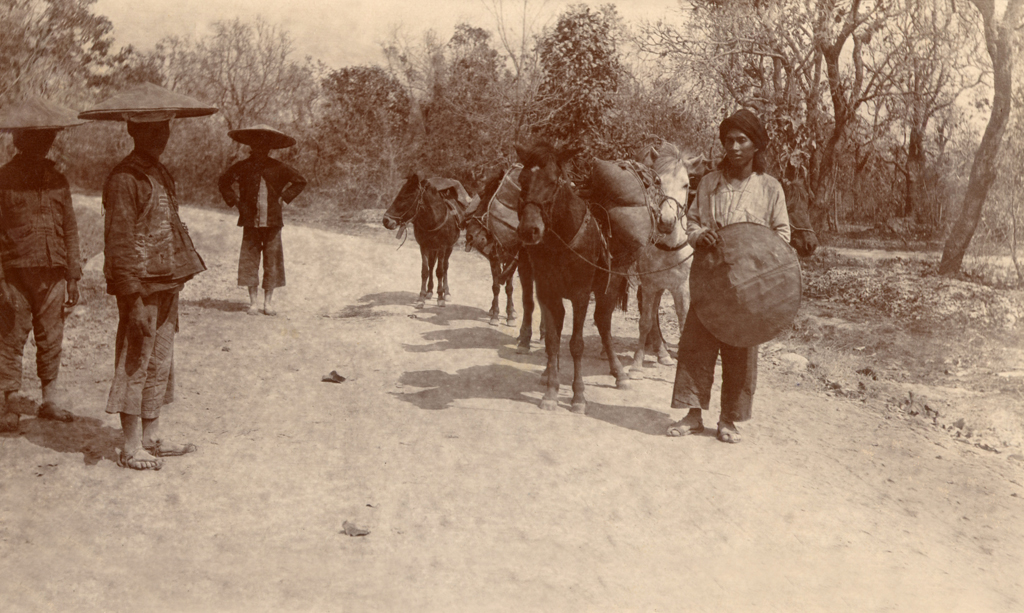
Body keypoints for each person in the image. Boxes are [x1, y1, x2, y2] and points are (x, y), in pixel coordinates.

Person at [81, 82, 217, 470]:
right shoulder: (125, 178)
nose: (160, 137)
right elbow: (119, 243)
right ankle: (129, 445)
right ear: (133, 132)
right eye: (151, 130)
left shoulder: (158, 172)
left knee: (161, 361)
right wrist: (132, 297)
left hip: (167, 279)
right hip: (140, 286)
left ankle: (152, 435)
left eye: (165, 130)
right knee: (135, 360)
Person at [667, 109, 790, 444]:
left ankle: (728, 420)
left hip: (750, 288)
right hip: (709, 280)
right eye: (728, 140)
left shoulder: (770, 188)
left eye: (742, 140)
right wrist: (699, 235)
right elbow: (690, 222)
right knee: (695, 346)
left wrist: (757, 251)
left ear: (756, 145)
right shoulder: (708, 183)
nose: (734, 147)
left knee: (740, 352)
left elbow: (782, 234)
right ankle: (693, 414)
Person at [0, 97, 85, 432]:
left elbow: (71, 227)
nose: (44, 144)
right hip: (15, 275)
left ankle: (50, 400)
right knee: (10, 337)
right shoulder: (3, 179)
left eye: (48, 138)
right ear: (20, 141)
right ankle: (9, 402)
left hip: (54, 275)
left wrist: (74, 275)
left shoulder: (58, 181)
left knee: (51, 337)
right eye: (36, 138)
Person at [218, 125, 306, 316]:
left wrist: (284, 197)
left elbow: (300, 181)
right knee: (250, 260)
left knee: (272, 261)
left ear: (269, 148)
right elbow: (223, 181)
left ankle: (268, 303)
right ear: (252, 146)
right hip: (250, 221)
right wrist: (235, 202)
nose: (261, 149)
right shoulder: (243, 167)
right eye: (257, 145)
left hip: (273, 221)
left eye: (265, 146)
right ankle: (253, 303)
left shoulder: (278, 167)